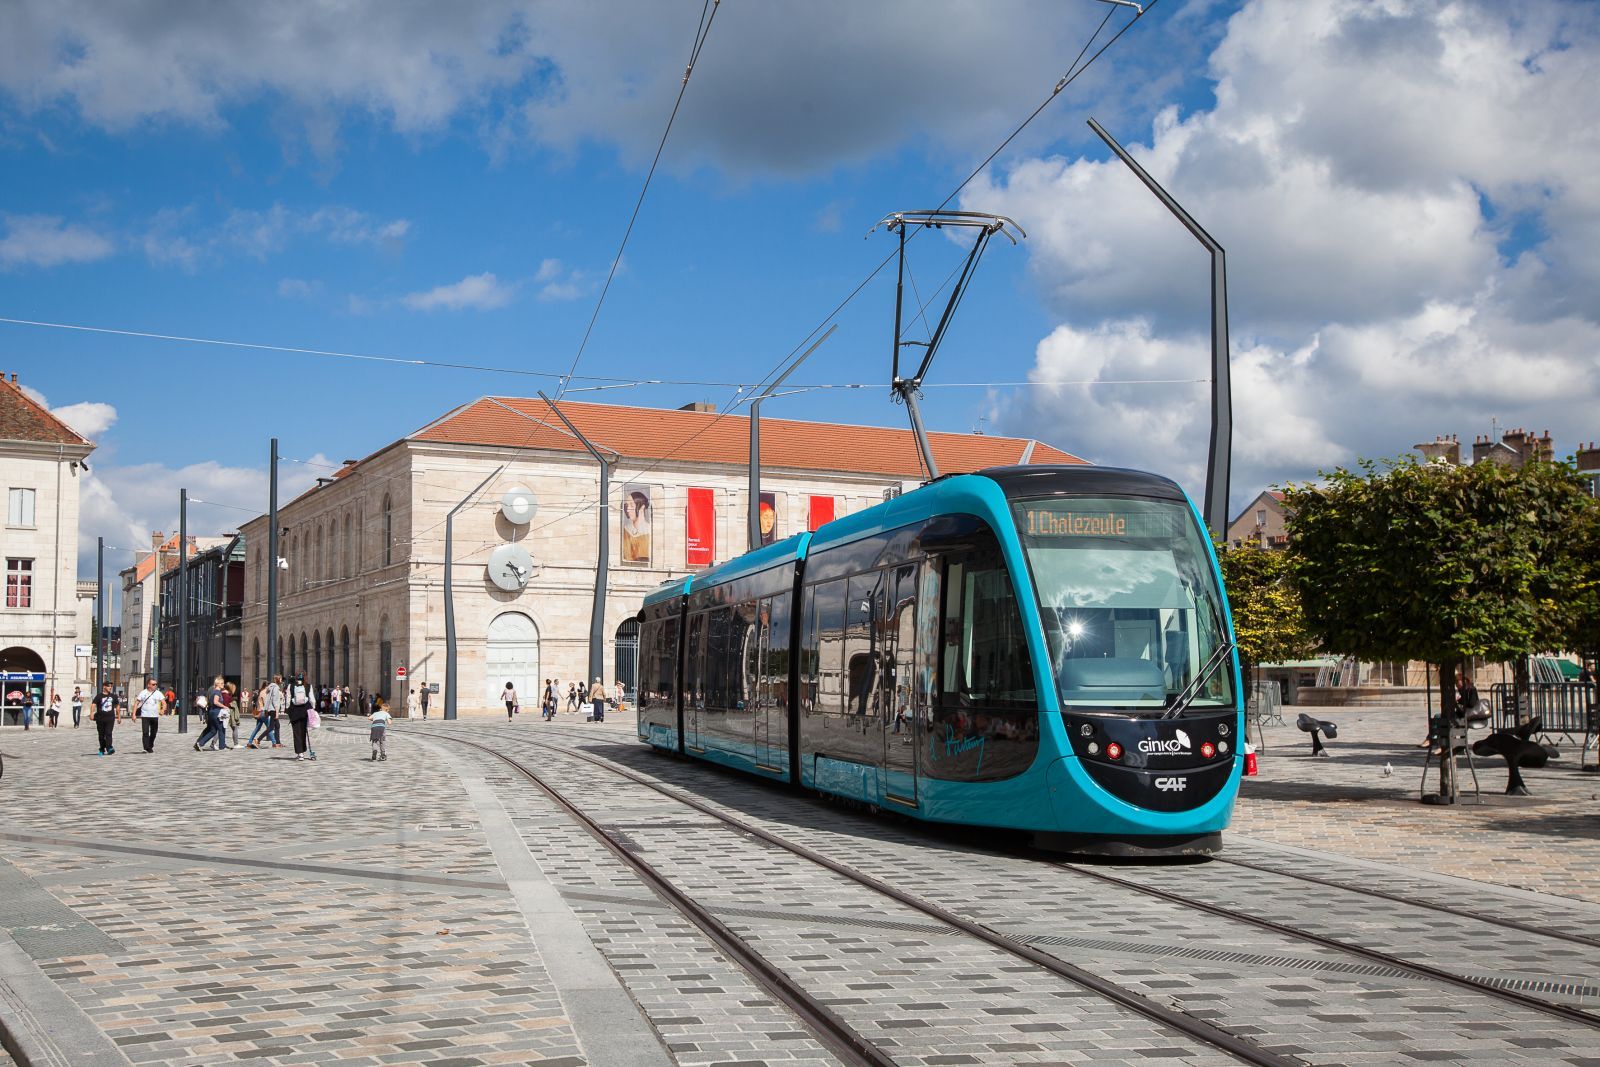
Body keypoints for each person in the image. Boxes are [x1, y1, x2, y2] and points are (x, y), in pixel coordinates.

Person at [286, 674, 314, 761]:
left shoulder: (291, 686)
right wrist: (312, 709)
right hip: (305, 711)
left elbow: (288, 699)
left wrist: (287, 709)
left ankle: (300, 753)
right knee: (303, 732)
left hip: (294, 712)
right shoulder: (308, 686)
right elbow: (312, 699)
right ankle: (303, 750)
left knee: (296, 733)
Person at [134, 678, 165, 752]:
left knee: (154, 733)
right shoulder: (143, 692)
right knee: (145, 732)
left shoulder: (158, 693)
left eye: (156, 684)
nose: (155, 686)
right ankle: (146, 747)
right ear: (148, 685)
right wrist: (133, 714)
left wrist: (162, 710)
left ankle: (150, 745)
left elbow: (164, 703)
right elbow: (136, 703)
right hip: (145, 715)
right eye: (153, 684)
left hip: (154, 716)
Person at [247, 678, 277, 748]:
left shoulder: (261, 691)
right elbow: (266, 703)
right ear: (267, 686)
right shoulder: (265, 693)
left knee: (257, 729)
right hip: (263, 712)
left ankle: (249, 742)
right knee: (269, 728)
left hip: (260, 712)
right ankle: (274, 743)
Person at [93, 682, 117, 755]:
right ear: (104, 687)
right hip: (100, 718)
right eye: (108, 686)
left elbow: (117, 705)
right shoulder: (99, 696)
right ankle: (102, 749)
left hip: (110, 718)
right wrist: (91, 713)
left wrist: (119, 716)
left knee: (108, 733)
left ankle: (109, 747)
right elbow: (93, 704)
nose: (110, 687)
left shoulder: (113, 696)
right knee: (101, 735)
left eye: (111, 686)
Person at [369, 697, 392, 761]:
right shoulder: (386, 713)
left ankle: (374, 750)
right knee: (382, 741)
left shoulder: (376, 713)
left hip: (374, 726)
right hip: (381, 726)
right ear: (387, 710)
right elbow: (390, 722)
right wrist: (388, 720)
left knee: (375, 740)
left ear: (381, 708)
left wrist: (375, 719)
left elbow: (369, 718)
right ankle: (383, 755)